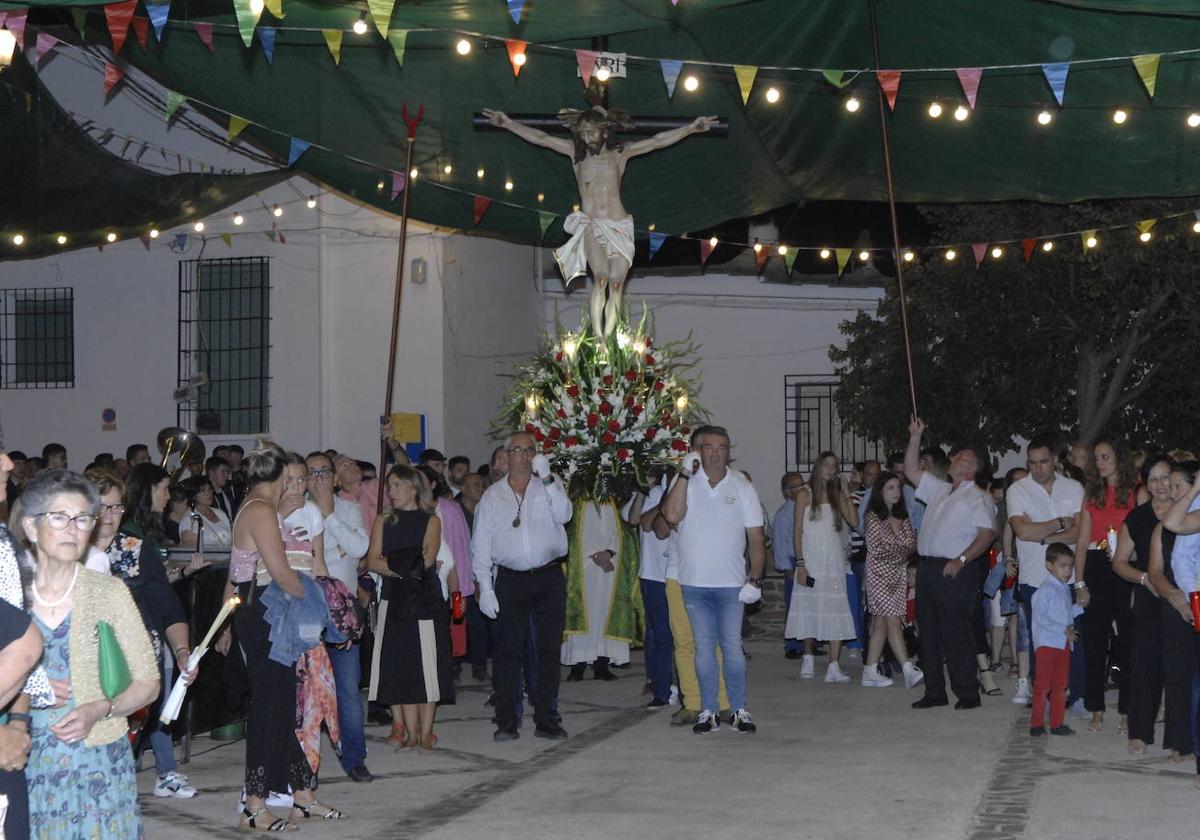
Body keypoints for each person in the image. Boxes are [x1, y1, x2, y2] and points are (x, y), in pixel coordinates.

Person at [483, 106, 716, 337]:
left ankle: (611, 336)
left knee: (616, 284)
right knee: (601, 279)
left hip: (619, 224)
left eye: (591, 132)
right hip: (592, 225)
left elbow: (657, 141)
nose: (586, 138)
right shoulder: (576, 154)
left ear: (604, 132)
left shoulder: (620, 153)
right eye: (583, 133)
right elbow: (542, 138)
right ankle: (600, 339)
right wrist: (508, 123)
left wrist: (691, 128)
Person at [19, 470, 160, 839]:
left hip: (99, 760)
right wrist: (26, 684)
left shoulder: (109, 591)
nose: (72, 529)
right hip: (25, 760)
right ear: (31, 527)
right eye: (59, 517)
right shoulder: (10, 595)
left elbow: (148, 682)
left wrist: (102, 707)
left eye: (83, 519)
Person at [227, 441, 345, 831]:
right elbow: (280, 573)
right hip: (263, 613)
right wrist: (323, 606)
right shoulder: (260, 510)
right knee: (270, 709)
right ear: (278, 476)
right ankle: (254, 805)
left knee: (279, 706)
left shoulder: (252, 505)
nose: (296, 484)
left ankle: (303, 797)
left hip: (261, 611)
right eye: (291, 477)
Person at [661, 426, 766, 735]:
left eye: (722, 447)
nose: (716, 452)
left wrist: (755, 579)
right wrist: (682, 473)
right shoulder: (687, 483)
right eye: (709, 447)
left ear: (728, 452)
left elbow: (756, 538)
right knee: (703, 649)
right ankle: (707, 709)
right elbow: (670, 515)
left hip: (731, 584)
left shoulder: (742, 486)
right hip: (693, 583)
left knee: (732, 647)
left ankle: (739, 708)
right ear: (699, 450)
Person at [471, 433, 572, 741]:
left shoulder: (549, 487)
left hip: (548, 577)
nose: (524, 456)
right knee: (507, 653)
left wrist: (551, 478)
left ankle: (547, 717)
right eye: (518, 450)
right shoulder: (492, 497)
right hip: (511, 580)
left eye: (530, 451)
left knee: (547, 651)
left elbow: (565, 514)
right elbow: (481, 545)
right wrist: (485, 587)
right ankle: (507, 719)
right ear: (507, 455)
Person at [115, 464, 198, 800]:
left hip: (151, 633)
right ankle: (152, 771)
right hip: (128, 640)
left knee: (155, 703)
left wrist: (185, 571)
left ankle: (163, 771)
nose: (168, 495)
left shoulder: (146, 534)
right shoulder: (129, 535)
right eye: (163, 488)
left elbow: (157, 589)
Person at [904, 418, 996, 710]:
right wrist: (915, 436)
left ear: (971, 468)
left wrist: (962, 559)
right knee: (927, 631)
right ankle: (935, 692)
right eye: (955, 456)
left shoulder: (979, 497)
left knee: (955, 632)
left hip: (955, 569)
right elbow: (909, 470)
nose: (954, 458)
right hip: (929, 568)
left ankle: (968, 692)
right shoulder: (940, 489)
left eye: (961, 457)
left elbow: (987, 534)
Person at [366, 465, 453, 752]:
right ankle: (410, 733)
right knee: (399, 666)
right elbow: (371, 562)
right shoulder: (382, 521)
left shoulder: (431, 521)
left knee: (426, 666)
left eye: (398, 485)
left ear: (414, 488)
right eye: (390, 486)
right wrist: (405, 567)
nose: (392, 491)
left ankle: (426, 732)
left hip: (422, 600)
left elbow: (427, 560)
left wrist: (393, 563)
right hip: (393, 599)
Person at [305, 451, 372, 781]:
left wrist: (330, 516)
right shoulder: (296, 511)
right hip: (307, 612)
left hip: (343, 614)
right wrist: (337, 550)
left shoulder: (348, 508)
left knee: (347, 689)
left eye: (323, 472)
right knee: (309, 692)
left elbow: (360, 549)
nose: (318, 478)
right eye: (311, 472)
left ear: (334, 477)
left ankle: (354, 756)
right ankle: (306, 763)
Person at [1006, 435, 1084, 706]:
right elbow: (1022, 531)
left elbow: (1080, 531)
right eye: (1032, 463)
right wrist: (1062, 523)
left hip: (1069, 577)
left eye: (1043, 462)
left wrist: (1043, 535)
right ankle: (1046, 697)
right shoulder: (1018, 490)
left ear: (1055, 461)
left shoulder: (1074, 488)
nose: (1037, 468)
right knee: (1043, 643)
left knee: (1072, 639)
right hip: (1035, 578)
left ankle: (1074, 696)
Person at [1073, 436, 1138, 732]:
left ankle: (1127, 709)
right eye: (1096, 458)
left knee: (1128, 640)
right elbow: (1083, 542)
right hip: (1097, 564)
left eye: (1105, 457)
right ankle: (1095, 708)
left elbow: (1143, 536)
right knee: (1094, 641)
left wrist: (1130, 555)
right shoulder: (1091, 494)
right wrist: (1080, 582)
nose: (1099, 463)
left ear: (1118, 459)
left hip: (1125, 565)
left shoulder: (1135, 493)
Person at [1114, 453, 1175, 753]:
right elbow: (1119, 562)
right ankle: (1139, 731)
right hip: (1150, 598)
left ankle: (1181, 740)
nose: (1161, 484)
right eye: (1154, 479)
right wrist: (1142, 579)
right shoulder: (1138, 517)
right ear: (1146, 485)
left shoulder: (1189, 511)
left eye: (1166, 477)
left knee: (1182, 668)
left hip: (1185, 596)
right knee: (1145, 665)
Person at [786, 451, 858, 683]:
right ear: (818, 466)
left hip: (833, 560)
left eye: (833, 465)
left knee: (835, 607)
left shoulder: (837, 495)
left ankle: (833, 665)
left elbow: (855, 522)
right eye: (826, 464)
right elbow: (797, 532)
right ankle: (808, 656)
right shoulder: (804, 494)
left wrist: (846, 491)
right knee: (809, 605)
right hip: (811, 559)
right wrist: (800, 564)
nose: (829, 469)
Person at [1150, 461, 1200, 766]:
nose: (1170, 489)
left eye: (1177, 485)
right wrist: (1183, 598)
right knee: (1187, 679)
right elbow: (1174, 526)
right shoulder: (1184, 516)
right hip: (1185, 600)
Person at [861, 471, 923, 689]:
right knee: (892, 618)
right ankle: (907, 668)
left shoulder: (903, 516)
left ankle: (869, 670)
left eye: (897, 487)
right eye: (890, 487)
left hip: (898, 575)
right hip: (878, 575)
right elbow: (875, 549)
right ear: (880, 491)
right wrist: (901, 547)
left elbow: (912, 545)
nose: (896, 492)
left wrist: (899, 547)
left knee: (881, 622)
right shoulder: (872, 516)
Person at [628, 472, 674, 707]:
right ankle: (659, 685)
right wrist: (643, 492)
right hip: (652, 574)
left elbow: (663, 530)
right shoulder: (653, 493)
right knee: (656, 634)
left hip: (675, 573)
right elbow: (638, 520)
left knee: (672, 636)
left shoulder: (687, 492)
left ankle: (669, 687)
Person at [1030, 543, 1085, 736]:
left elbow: (1067, 613)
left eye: (1070, 566)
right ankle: (1036, 724)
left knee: (1060, 686)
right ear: (1049, 565)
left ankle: (1056, 723)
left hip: (1062, 645)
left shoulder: (1062, 589)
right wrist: (1064, 630)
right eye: (1063, 565)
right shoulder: (1044, 591)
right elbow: (1040, 618)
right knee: (1042, 685)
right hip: (1047, 645)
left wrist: (1081, 606)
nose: (1068, 571)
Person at [457, 472, 493, 681]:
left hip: (478, 577)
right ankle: (454, 666)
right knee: (456, 620)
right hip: (458, 578)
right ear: (462, 489)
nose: (479, 487)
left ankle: (479, 666)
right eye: (474, 484)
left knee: (479, 624)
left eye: (481, 483)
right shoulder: (455, 511)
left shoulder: (486, 509)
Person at [772, 472, 805, 659]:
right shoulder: (784, 514)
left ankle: (809, 641)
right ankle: (792, 645)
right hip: (793, 562)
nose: (801, 489)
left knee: (808, 604)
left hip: (807, 560)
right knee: (794, 606)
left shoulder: (807, 509)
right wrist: (787, 568)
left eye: (802, 485)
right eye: (796, 487)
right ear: (787, 492)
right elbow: (781, 544)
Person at [179, 476, 233, 551]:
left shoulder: (220, 513)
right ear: (193, 495)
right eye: (203, 491)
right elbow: (192, 552)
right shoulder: (189, 519)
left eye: (210, 489)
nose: (209, 493)